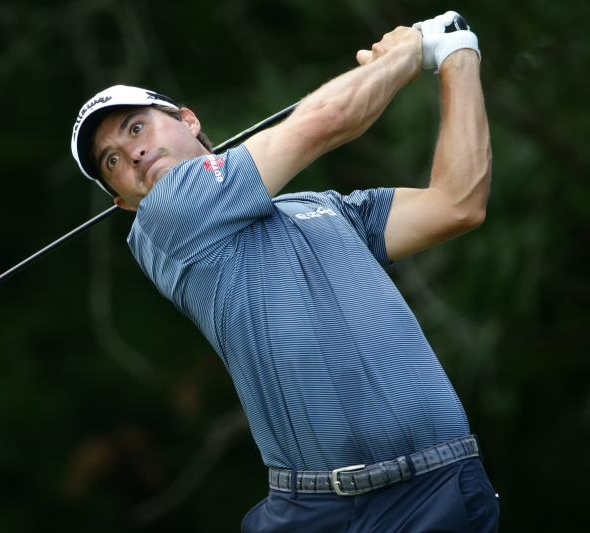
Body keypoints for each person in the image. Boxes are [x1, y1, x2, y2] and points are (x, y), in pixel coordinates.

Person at [70, 10, 497, 533]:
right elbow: (326, 121)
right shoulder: (167, 217)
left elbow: (457, 204)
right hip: (318, 513)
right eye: (112, 161)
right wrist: (411, 51)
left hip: (439, 491)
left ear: (188, 120)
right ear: (123, 202)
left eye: (136, 128)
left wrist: (458, 54)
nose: (133, 154)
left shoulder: (322, 207)